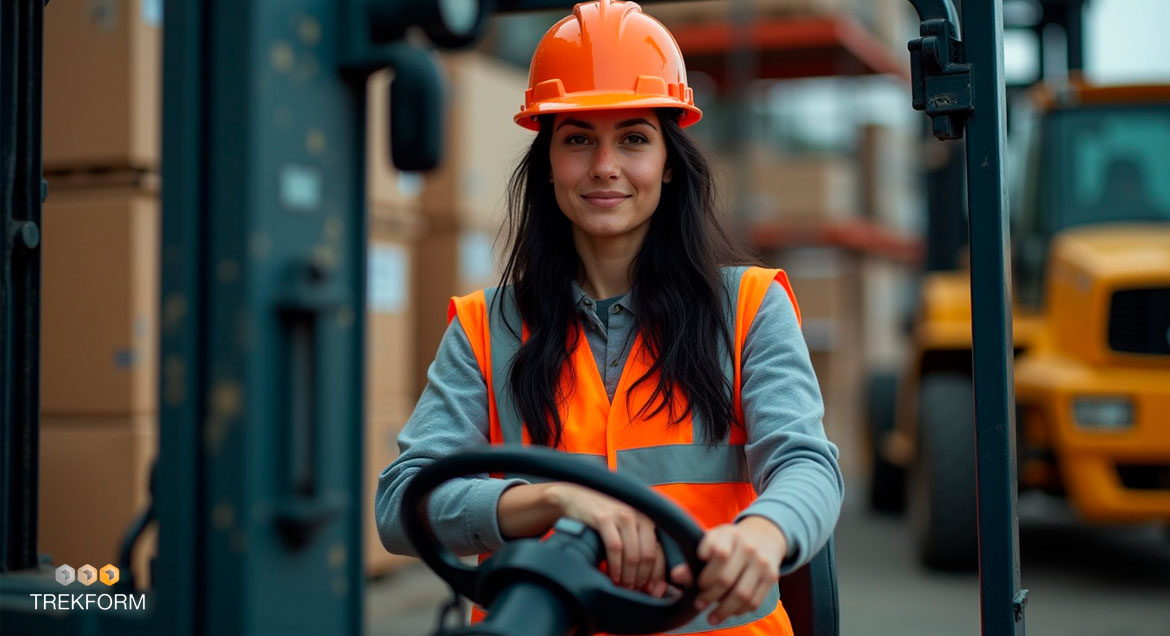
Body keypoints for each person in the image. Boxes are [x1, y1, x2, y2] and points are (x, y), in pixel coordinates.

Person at [375, 1, 843, 634]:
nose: (604, 166)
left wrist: (762, 534)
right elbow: (401, 504)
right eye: (578, 140)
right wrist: (549, 500)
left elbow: (806, 463)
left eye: (633, 137)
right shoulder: (487, 327)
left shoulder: (749, 308)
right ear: (548, 160)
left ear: (669, 160)